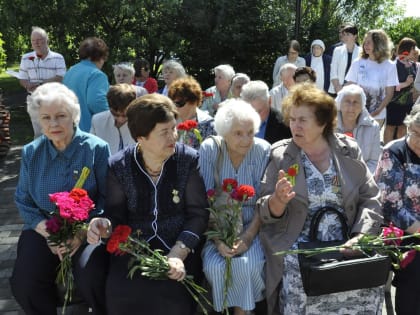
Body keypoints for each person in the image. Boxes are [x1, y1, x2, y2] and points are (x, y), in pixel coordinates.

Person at [257, 83, 383, 315]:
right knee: (295, 270)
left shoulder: (348, 149)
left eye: (303, 120)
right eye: (292, 119)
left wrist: (361, 237)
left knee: (367, 282)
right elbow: (264, 210)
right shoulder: (281, 155)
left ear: (323, 121)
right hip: (301, 249)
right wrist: (278, 200)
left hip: (347, 245)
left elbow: (371, 197)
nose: (295, 125)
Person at [86, 93, 209, 315]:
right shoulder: (119, 165)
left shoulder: (187, 159)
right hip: (135, 246)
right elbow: (116, 216)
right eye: (165, 132)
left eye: (174, 127)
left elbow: (198, 214)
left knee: (172, 294)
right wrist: (102, 223)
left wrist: (178, 254)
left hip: (178, 243)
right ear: (140, 138)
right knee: (123, 293)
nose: (174, 136)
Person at [10, 82, 110, 315]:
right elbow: (23, 200)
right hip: (43, 228)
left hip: (88, 229)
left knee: (92, 276)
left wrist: (81, 232)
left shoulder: (96, 149)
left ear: (74, 116)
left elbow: (108, 197)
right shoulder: (31, 152)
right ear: (38, 120)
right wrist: (48, 232)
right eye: (46, 117)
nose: (53, 124)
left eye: (60, 116)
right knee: (25, 283)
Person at [199, 99, 270, 315]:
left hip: (254, 225)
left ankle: (242, 312)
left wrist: (248, 238)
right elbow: (204, 202)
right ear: (224, 132)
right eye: (238, 133)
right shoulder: (210, 149)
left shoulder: (263, 150)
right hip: (216, 227)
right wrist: (219, 242)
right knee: (215, 266)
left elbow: (263, 202)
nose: (247, 139)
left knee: (249, 264)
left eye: (250, 132)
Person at [375, 104, 420, 315]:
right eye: (415, 133)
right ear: (408, 127)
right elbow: (390, 206)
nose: (418, 140)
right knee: (416, 270)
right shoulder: (394, 152)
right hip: (403, 233)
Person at [18, 26, 67, 138]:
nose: (36, 43)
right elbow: (22, 78)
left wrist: (40, 84)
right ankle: (41, 155)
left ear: (46, 41)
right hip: (34, 99)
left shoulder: (58, 58)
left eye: (39, 40)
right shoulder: (26, 58)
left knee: (56, 132)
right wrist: (27, 84)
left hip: (54, 99)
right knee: (39, 134)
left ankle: (59, 154)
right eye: (33, 41)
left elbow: (61, 77)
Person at [346, 29, 399, 127]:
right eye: (365, 42)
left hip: (377, 116)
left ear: (379, 44)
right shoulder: (357, 62)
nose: (365, 45)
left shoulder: (390, 66)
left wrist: (378, 111)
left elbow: (389, 93)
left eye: (369, 42)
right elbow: (349, 87)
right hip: (356, 113)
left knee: (370, 142)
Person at [63, 37, 110, 132]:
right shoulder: (97, 75)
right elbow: (96, 102)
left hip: (67, 128)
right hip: (88, 131)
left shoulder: (70, 71)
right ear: (101, 57)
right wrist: (113, 118)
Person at [336, 84, 382, 173]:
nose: (351, 107)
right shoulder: (327, 125)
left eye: (356, 102)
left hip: (362, 179)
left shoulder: (373, 127)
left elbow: (374, 161)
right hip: (334, 178)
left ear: (362, 107)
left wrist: (360, 180)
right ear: (339, 104)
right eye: (347, 101)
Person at [167, 76, 216, 149]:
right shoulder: (170, 124)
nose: (175, 107)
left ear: (194, 102)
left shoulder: (209, 126)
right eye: (173, 103)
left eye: (179, 103)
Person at [384, 37, 418, 144]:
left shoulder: (413, 65)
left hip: (408, 103)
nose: (415, 50)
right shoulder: (394, 65)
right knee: (390, 127)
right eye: (413, 48)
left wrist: (413, 88)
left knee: (403, 128)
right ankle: (387, 152)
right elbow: (391, 86)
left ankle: (399, 152)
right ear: (408, 49)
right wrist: (405, 84)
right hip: (394, 103)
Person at [90, 83, 137, 154]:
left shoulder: (140, 122)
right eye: (115, 114)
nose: (120, 119)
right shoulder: (97, 120)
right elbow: (90, 148)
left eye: (125, 115)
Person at [328, 24, 361, 96]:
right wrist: (337, 87)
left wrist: (346, 86)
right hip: (336, 90)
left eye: (348, 34)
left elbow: (361, 73)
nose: (345, 37)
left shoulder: (361, 52)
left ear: (355, 36)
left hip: (354, 90)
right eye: (344, 34)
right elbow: (333, 70)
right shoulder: (337, 50)